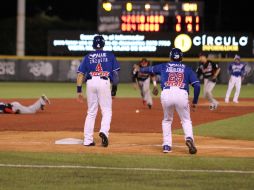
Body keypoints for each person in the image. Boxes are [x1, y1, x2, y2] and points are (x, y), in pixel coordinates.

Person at [134, 48, 200, 154]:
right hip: (181, 93)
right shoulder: (187, 69)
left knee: (167, 120)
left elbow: (148, 69)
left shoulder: (164, 66)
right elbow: (197, 86)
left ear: (170, 57)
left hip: (167, 93)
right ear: (181, 57)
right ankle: (189, 138)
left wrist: (139, 69)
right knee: (186, 120)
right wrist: (195, 102)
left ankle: (167, 146)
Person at [76, 35, 120, 147]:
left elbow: (80, 74)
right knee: (106, 110)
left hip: (90, 83)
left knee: (91, 112)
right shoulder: (110, 55)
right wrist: (114, 90)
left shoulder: (88, 56)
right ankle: (104, 131)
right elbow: (115, 75)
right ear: (103, 44)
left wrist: (79, 90)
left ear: (93, 44)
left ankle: (87, 140)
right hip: (104, 82)